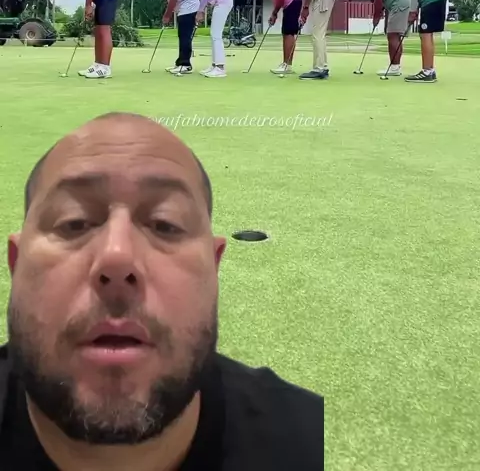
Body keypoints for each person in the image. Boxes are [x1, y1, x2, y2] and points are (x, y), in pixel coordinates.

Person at [0, 113, 325, 470]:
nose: (117, 257)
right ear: (16, 263)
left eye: (165, 224)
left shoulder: (308, 443)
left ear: (213, 269)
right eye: (74, 222)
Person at [381, 0, 448, 83]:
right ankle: (430, 71)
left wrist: (412, 11)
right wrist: (416, 8)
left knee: (425, 34)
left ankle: (427, 72)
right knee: (427, 34)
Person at [176, 0, 233, 79]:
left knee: (216, 35)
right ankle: (214, 65)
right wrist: (201, 10)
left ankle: (220, 68)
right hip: (220, 2)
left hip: (223, 2)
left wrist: (200, 11)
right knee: (214, 35)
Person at [140, 0, 199, 76]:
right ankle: (180, 63)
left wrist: (167, 16)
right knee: (182, 36)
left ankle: (185, 65)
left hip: (189, 7)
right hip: (184, 8)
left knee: (185, 37)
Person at [353, 0, 411, 77]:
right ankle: (395, 66)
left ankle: (394, 68)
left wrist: (376, 17)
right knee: (395, 36)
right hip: (399, 3)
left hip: (399, 4)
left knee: (393, 35)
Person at [245, 0, 303, 74]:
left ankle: (286, 65)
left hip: (294, 0)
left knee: (288, 33)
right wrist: (274, 13)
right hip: (292, 2)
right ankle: (286, 64)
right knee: (287, 33)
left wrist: (274, 13)